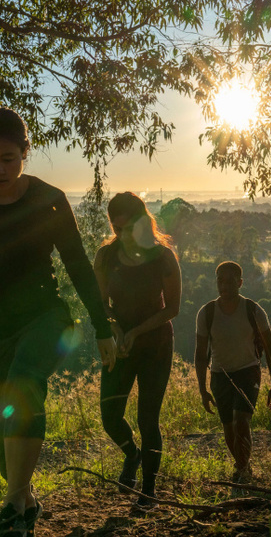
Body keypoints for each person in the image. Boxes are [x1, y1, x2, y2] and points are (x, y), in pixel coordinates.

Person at [0, 107, 118, 537]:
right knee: (1, 430)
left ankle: (12, 506)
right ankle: (26, 500)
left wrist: (102, 326)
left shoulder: (48, 198)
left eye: (8, 159)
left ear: (25, 153)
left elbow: (77, 264)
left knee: (24, 384)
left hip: (45, 316)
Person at [93, 192, 181, 510]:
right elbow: (100, 303)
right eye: (117, 229)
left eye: (129, 227)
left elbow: (173, 308)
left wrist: (137, 331)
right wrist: (115, 328)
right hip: (121, 346)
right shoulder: (106, 257)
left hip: (155, 345)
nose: (123, 234)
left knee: (148, 420)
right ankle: (132, 455)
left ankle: (148, 490)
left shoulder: (163, 257)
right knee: (109, 416)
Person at [194, 261, 271, 484]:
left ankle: (241, 471)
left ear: (240, 283)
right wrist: (203, 389)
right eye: (220, 280)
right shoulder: (207, 313)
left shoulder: (253, 310)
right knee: (229, 428)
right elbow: (200, 354)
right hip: (219, 375)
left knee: (241, 420)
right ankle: (244, 467)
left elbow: (270, 350)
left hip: (247, 372)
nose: (224, 285)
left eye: (230, 281)